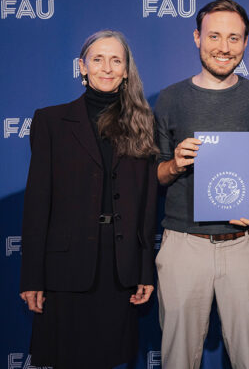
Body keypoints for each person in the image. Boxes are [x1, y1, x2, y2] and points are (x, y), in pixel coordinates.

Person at [19, 30, 159, 369]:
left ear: (126, 70)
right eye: (98, 59)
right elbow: (37, 203)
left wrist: (145, 270)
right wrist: (32, 277)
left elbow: (146, 205)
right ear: (82, 67)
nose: (106, 68)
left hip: (119, 268)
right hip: (65, 268)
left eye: (116, 60)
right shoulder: (51, 121)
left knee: (111, 359)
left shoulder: (142, 123)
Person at [154, 0, 249, 368]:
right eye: (214, 36)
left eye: (234, 38)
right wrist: (175, 164)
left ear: (245, 43)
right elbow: (155, 173)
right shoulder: (170, 98)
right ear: (197, 38)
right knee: (177, 360)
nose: (224, 47)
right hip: (183, 245)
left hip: (243, 243)